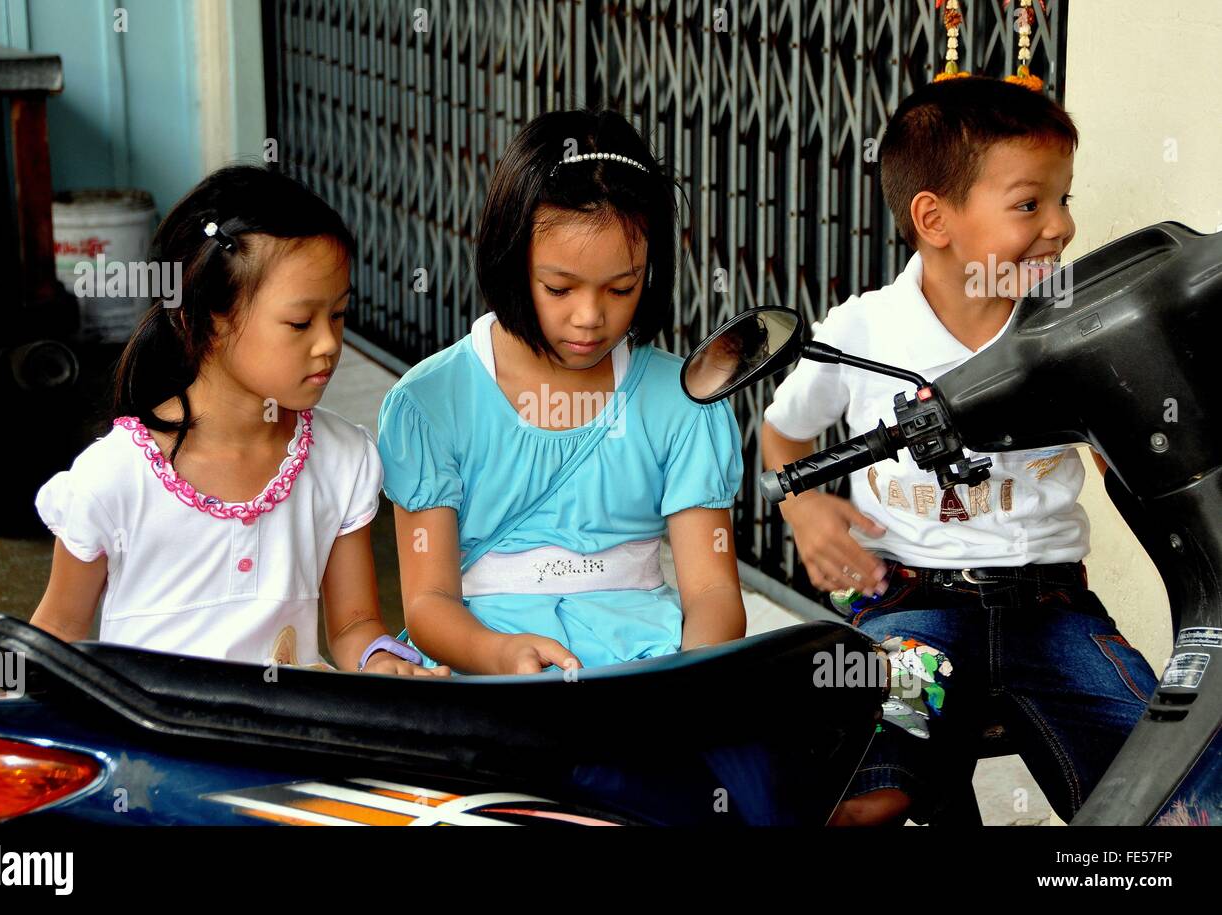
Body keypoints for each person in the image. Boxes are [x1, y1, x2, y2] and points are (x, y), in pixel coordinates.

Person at [761, 77, 1157, 824]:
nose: (1062, 226)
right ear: (934, 219)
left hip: (1054, 610)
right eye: (1030, 203)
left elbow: (1128, 461)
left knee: (1170, 786)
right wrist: (805, 505)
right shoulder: (864, 333)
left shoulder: (1074, 330)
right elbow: (781, 433)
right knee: (870, 792)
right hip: (915, 611)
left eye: (1065, 199)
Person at [30, 165, 445, 677]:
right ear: (206, 319)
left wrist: (382, 660)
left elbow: (352, 625)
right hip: (156, 747)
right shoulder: (113, 478)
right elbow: (59, 631)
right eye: (299, 322)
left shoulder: (342, 461)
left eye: (337, 314)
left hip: (283, 740)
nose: (329, 344)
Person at [377, 108, 747, 675]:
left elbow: (712, 593)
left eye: (622, 288)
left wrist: (687, 682)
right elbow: (428, 604)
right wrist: (498, 653)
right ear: (509, 258)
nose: (590, 317)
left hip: (646, 665)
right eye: (559, 287)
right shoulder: (431, 404)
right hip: (483, 663)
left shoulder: (683, 403)